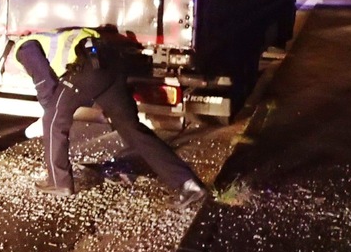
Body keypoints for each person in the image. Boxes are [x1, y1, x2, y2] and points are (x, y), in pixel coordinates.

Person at [14, 27, 207, 209]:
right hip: (111, 67)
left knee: (53, 120)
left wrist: (51, 112)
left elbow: (44, 84)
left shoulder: (23, 47)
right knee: (131, 129)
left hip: (88, 67)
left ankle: (59, 182)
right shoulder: (54, 36)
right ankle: (187, 183)